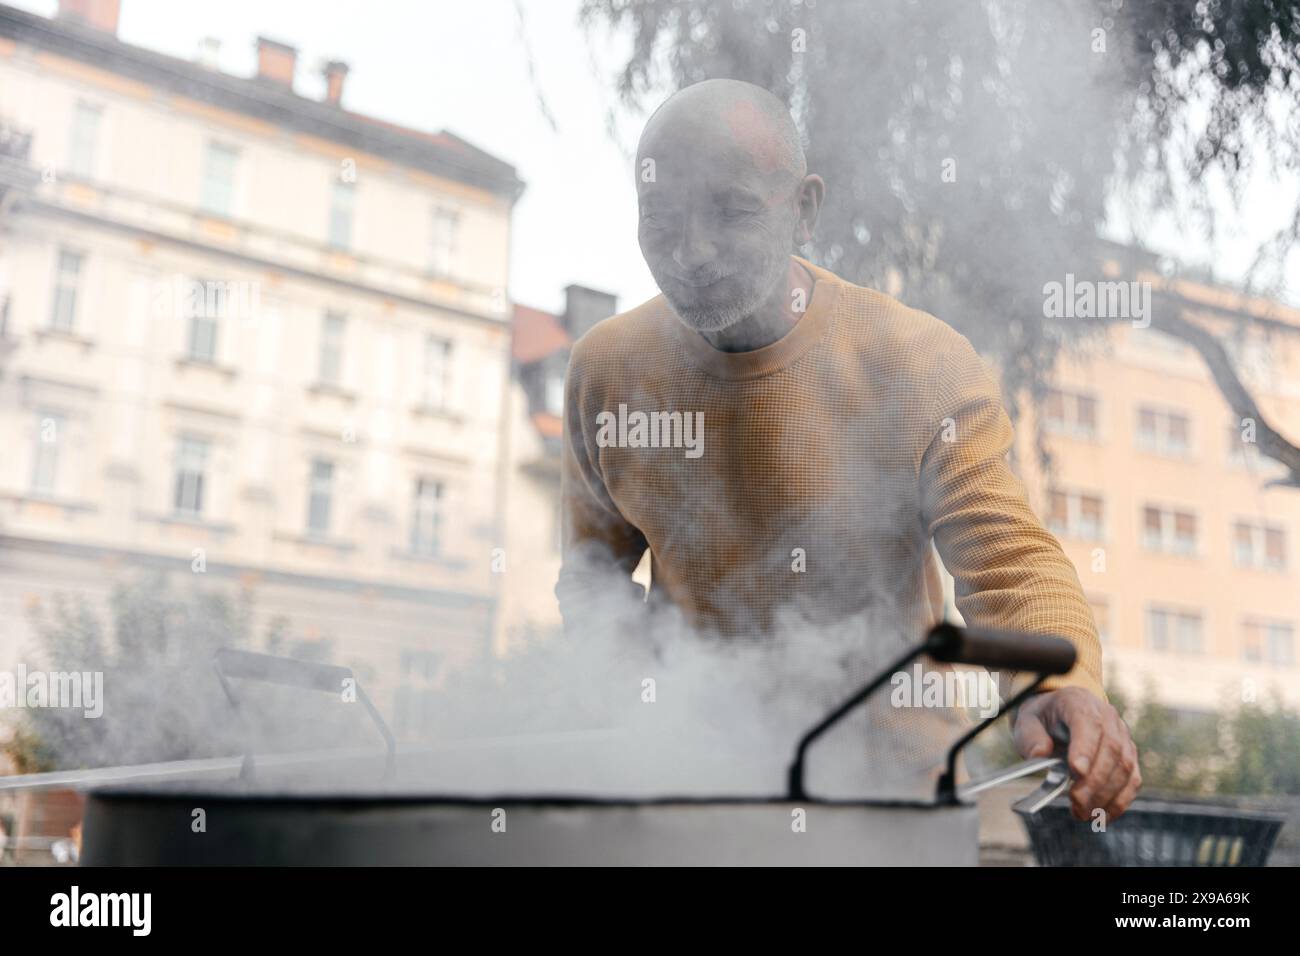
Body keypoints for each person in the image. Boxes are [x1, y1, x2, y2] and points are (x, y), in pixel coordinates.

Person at [556, 78, 1140, 820]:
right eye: (660, 220)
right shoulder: (605, 371)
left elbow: (1008, 558)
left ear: (804, 210)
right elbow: (592, 581)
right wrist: (649, 719)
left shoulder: (916, 363)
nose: (690, 253)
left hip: (894, 794)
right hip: (697, 790)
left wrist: (1061, 687)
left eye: (731, 212)